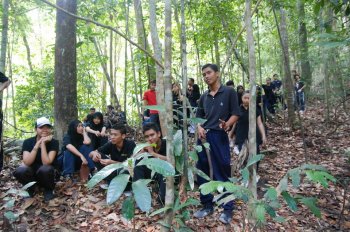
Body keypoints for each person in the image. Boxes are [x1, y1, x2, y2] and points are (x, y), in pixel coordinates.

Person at [194, 63, 240, 224]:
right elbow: (198, 116)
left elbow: (236, 113)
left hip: (219, 136)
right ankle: (207, 204)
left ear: (217, 73)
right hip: (204, 138)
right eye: (204, 74)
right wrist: (199, 127)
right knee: (202, 171)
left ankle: (227, 208)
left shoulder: (229, 92)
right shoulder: (203, 96)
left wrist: (227, 124)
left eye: (209, 73)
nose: (206, 76)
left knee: (223, 171)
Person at [13, 117, 59, 201]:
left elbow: (46, 163)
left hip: (47, 174)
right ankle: (31, 188)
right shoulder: (28, 142)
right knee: (20, 170)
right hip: (32, 173)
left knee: (45, 169)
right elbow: (27, 162)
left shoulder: (54, 142)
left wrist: (43, 144)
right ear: (35, 129)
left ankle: (48, 189)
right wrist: (37, 144)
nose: (45, 129)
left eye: (47, 127)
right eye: (41, 127)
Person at [133, 122, 167, 204]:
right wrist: (140, 152)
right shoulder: (146, 146)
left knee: (164, 172)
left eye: (152, 135)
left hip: (163, 173)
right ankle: (140, 195)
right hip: (151, 173)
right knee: (138, 163)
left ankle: (162, 199)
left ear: (159, 134)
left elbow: (171, 161)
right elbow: (131, 161)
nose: (150, 139)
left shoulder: (167, 144)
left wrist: (153, 153)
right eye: (147, 137)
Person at [234, 91, 267, 173]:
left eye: (249, 98)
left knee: (256, 154)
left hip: (254, 135)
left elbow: (259, 123)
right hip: (241, 135)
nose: (246, 100)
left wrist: (263, 135)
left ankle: (254, 173)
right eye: (245, 98)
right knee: (243, 155)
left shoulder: (255, 109)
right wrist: (230, 135)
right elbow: (234, 124)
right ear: (241, 98)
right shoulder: (238, 110)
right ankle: (245, 175)